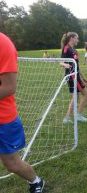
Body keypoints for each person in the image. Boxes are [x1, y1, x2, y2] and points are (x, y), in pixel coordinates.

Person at [0, 33, 44, 193]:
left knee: (11, 163)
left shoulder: (3, 44)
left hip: (2, 119)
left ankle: (36, 181)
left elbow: (9, 87)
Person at [60, 32, 87, 124]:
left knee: (75, 97)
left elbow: (77, 65)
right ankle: (78, 116)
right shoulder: (66, 48)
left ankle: (67, 118)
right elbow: (61, 62)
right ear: (72, 38)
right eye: (77, 38)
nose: (78, 40)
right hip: (72, 77)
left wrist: (83, 76)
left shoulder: (74, 50)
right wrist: (65, 64)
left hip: (76, 76)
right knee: (86, 94)